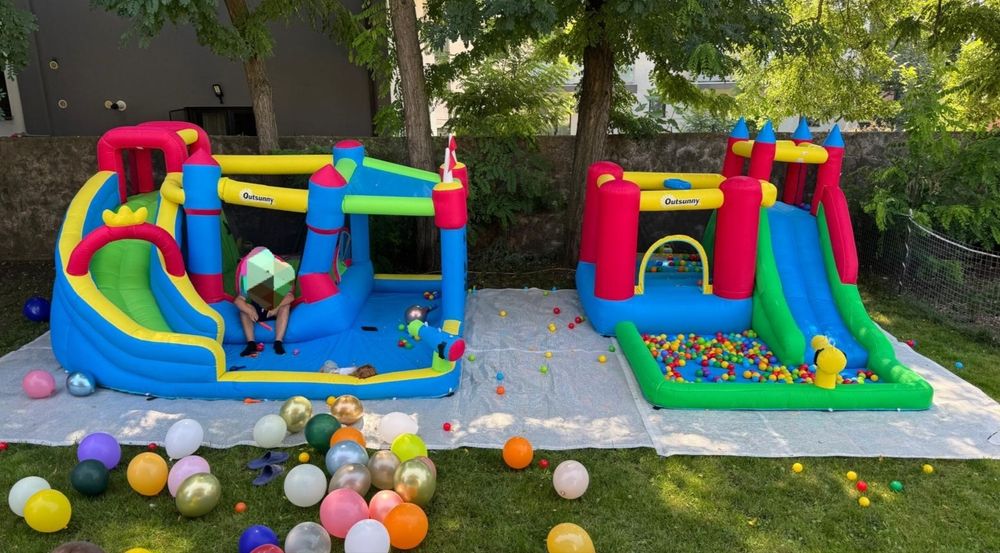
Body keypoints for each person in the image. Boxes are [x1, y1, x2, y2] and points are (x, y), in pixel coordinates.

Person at [233, 247, 296, 356]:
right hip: (257, 312)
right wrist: (249, 310)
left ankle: (278, 342)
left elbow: (290, 297)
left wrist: (276, 306)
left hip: (273, 310)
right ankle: (251, 344)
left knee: (285, 306)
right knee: (244, 311)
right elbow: (238, 301)